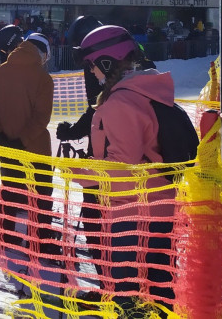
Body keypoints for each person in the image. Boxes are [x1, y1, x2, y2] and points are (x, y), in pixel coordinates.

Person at [76, 25, 179, 311]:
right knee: (159, 287)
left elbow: (123, 166)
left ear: (107, 62)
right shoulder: (147, 90)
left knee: (128, 294)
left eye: (93, 66)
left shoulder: (122, 101)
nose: (93, 73)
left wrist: (81, 173)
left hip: (133, 212)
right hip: (161, 204)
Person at [0, 32, 59, 259]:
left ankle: (5, 236)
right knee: (42, 194)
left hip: (5, 145)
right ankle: (40, 242)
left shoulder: (0, 72)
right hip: (36, 148)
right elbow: (41, 118)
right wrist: (22, 141)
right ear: (43, 53)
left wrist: (0, 135)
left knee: (10, 190)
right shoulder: (43, 78)